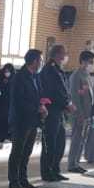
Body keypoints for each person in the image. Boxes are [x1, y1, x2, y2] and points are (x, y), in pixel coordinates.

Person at [8, 50, 45, 188]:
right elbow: (19, 101)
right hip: (21, 120)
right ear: (34, 61)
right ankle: (14, 181)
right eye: (40, 60)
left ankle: (23, 179)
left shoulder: (36, 76)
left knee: (27, 152)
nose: (41, 63)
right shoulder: (19, 77)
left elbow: (38, 95)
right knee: (17, 152)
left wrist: (42, 106)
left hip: (33, 120)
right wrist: (37, 108)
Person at [40, 45, 75, 180]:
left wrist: (67, 104)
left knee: (60, 143)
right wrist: (66, 104)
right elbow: (54, 91)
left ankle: (55, 169)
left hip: (59, 111)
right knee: (50, 143)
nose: (66, 56)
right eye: (64, 53)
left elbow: (65, 90)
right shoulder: (49, 70)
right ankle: (47, 172)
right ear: (57, 54)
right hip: (51, 111)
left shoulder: (58, 70)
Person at [67, 51, 94, 173]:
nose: (92, 64)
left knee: (82, 139)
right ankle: (72, 164)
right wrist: (79, 114)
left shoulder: (86, 75)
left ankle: (76, 162)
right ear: (83, 61)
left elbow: (89, 95)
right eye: (91, 62)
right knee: (76, 139)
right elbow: (75, 97)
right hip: (79, 113)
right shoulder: (76, 76)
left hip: (87, 113)